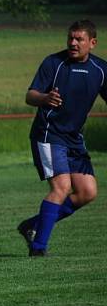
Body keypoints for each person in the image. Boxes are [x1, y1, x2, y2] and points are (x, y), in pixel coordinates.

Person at [17, 19, 107, 256]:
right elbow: (30, 95)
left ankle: (32, 226)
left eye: (79, 39)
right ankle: (38, 248)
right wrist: (45, 99)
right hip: (48, 133)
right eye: (71, 38)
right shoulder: (54, 63)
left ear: (93, 42)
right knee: (62, 187)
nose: (73, 43)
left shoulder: (100, 70)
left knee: (87, 192)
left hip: (73, 138)